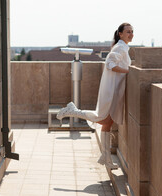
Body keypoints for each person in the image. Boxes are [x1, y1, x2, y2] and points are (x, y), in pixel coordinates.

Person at [57, 23, 133, 169]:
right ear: (120, 34)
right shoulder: (120, 47)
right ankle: (73, 111)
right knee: (102, 119)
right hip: (113, 91)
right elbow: (110, 64)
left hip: (116, 90)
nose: (131, 34)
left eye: (132, 31)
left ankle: (106, 158)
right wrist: (128, 71)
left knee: (107, 123)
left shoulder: (123, 47)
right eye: (128, 32)